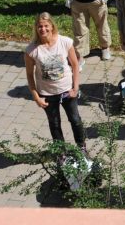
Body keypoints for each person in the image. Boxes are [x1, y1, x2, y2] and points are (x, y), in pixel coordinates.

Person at [24, 12, 85, 150]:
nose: (43, 29)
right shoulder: (31, 51)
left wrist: (75, 88)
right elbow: (29, 75)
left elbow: (75, 65)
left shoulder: (65, 42)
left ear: (52, 26)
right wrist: (36, 98)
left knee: (75, 120)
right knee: (55, 123)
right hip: (47, 94)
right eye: (40, 26)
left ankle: (82, 148)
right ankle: (61, 153)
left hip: (67, 91)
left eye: (46, 26)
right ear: (36, 28)